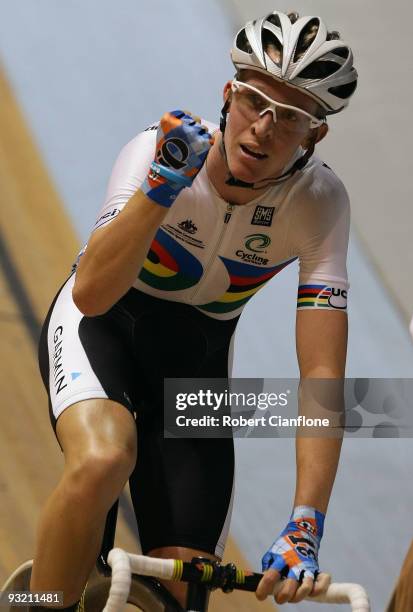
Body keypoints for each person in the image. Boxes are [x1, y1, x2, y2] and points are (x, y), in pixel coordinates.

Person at [30, 10, 358, 610]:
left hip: (193, 372)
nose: (262, 129)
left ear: (316, 135)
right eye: (255, 101)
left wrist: (305, 520)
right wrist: (160, 188)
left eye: (290, 118)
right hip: (100, 329)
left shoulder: (320, 204)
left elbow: (321, 376)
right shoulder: (160, 148)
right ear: (228, 95)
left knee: (185, 586)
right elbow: (91, 296)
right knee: (105, 459)